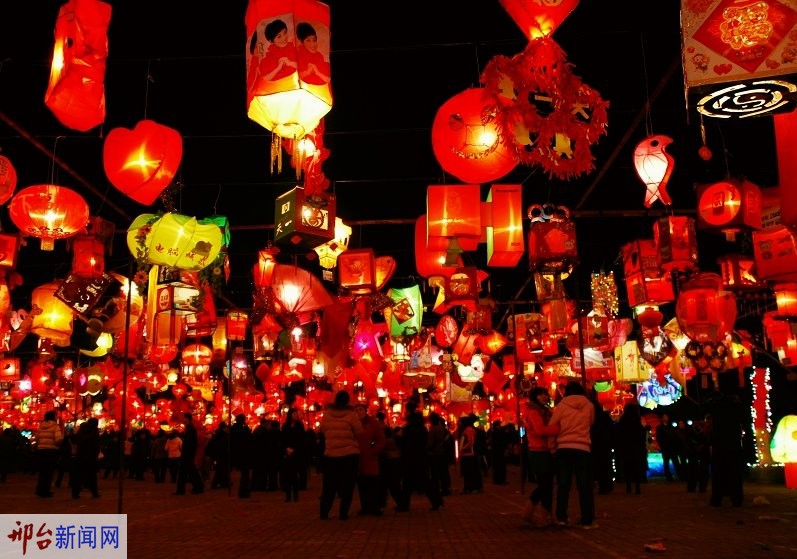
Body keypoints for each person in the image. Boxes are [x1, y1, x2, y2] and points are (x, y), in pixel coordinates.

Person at [549, 380, 596, 529]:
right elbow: (591, 423)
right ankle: (587, 520)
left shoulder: (561, 407)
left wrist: (552, 447)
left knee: (564, 484)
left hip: (564, 448)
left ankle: (562, 517)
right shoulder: (589, 406)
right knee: (584, 485)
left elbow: (552, 426)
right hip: (583, 448)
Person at [318, 390, 362, 520]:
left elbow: (322, 430)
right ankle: (343, 513)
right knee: (347, 486)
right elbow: (359, 432)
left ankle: (324, 513)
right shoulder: (352, 415)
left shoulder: (326, 414)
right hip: (349, 455)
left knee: (329, 486)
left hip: (331, 455)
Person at [704, 379, 747, 507]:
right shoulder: (736, 405)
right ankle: (736, 498)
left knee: (719, 473)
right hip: (733, 442)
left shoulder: (716, 404)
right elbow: (744, 420)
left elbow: (705, 406)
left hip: (720, 442)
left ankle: (717, 498)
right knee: (734, 472)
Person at [523, 387, 560, 526]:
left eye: (545, 394)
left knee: (547, 485)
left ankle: (545, 515)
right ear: (534, 397)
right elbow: (540, 430)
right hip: (538, 452)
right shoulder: (533, 412)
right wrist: (558, 429)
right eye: (540, 394)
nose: (544, 396)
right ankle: (533, 512)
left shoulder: (546, 412)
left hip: (547, 451)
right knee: (544, 485)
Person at [354, 403, 385, 515]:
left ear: (365, 410)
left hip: (371, 458)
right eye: (356, 410)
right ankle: (365, 507)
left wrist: (374, 450)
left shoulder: (373, 423)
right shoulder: (354, 424)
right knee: (362, 485)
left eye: (360, 409)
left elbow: (381, 439)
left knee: (372, 484)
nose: (359, 412)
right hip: (359, 458)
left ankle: (375, 507)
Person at [616, 402, 647, 495]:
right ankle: (637, 487)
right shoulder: (637, 421)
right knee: (636, 467)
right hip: (636, 447)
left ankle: (628, 486)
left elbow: (619, 434)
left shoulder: (623, 421)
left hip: (626, 447)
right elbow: (641, 434)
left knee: (627, 467)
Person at [174, 413, 204, 495]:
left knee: (185, 472)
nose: (183, 420)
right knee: (191, 471)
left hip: (188, 454)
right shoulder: (188, 428)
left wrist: (187, 452)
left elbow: (190, 443)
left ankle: (183, 490)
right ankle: (198, 487)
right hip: (188, 453)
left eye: (184, 418)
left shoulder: (190, 429)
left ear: (187, 419)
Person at [34, 410, 62, 498]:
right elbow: (58, 439)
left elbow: (37, 438)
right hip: (51, 451)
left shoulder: (41, 426)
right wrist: (58, 445)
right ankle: (46, 491)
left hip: (41, 451)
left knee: (42, 472)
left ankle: (39, 490)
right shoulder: (55, 426)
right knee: (49, 472)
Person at [281, 408, 306, 503]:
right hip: (287, 453)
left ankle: (295, 495)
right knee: (287, 475)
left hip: (297, 453)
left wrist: (295, 449)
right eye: (294, 414)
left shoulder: (300, 426)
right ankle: (288, 496)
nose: (296, 415)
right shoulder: (285, 426)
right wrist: (286, 449)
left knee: (295, 475)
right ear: (290, 415)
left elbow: (302, 439)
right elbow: (282, 439)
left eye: (297, 414)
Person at [71, 417, 101, 499]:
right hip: (90, 456)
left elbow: (77, 440)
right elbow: (96, 444)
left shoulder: (81, 430)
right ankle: (94, 492)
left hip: (80, 455)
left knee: (79, 475)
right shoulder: (94, 431)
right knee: (92, 476)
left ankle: (75, 493)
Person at [427, 412, 452, 499]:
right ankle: (445, 489)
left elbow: (430, 444)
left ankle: (438, 490)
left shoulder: (433, 429)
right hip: (442, 453)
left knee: (435, 474)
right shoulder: (442, 429)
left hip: (435, 454)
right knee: (443, 473)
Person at [458, 414, 483, 494]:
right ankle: (468, 487)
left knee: (470, 472)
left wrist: (462, 448)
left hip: (469, 454)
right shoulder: (467, 429)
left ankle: (472, 487)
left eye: (461, 422)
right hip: (467, 454)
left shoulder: (468, 430)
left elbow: (470, 442)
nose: (460, 424)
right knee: (468, 472)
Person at [229, 413, 252, 498]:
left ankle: (243, 491)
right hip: (243, 453)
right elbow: (249, 440)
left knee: (242, 474)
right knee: (245, 474)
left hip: (236, 453)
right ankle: (244, 492)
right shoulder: (244, 429)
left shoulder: (232, 429)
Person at [656, 413, 682, 481]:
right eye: (664, 417)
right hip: (665, 448)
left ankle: (680, 475)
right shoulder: (659, 428)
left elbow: (675, 437)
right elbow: (658, 438)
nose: (666, 418)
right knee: (666, 463)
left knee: (676, 462)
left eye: (667, 416)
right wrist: (662, 446)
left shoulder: (671, 427)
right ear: (662, 419)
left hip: (672, 448)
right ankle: (669, 477)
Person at [206, 422, 230, 490]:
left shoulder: (218, 434)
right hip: (221, 454)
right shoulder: (222, 435)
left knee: (221, 469)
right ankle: (217, 484)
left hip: (218, 454)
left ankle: (222, 483)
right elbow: (222, 445)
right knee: (220, 469)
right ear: (224, 428)